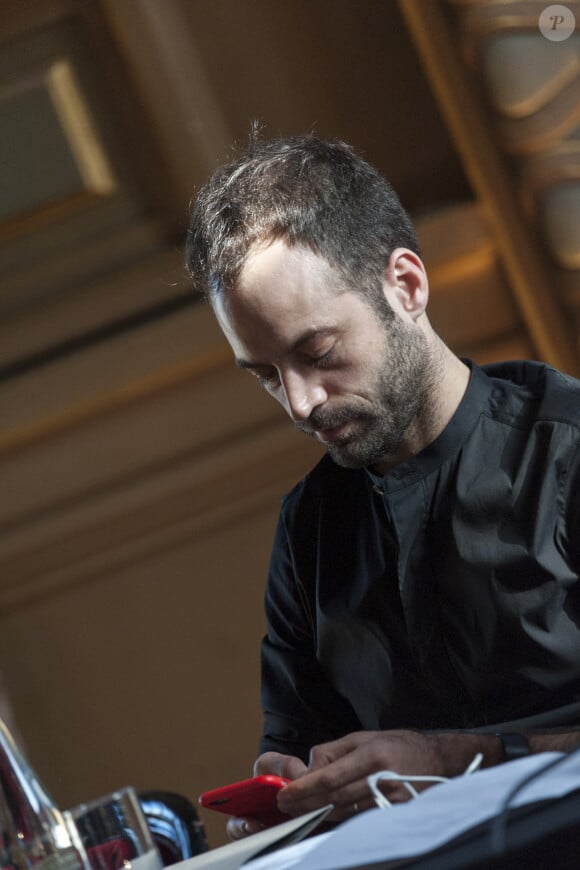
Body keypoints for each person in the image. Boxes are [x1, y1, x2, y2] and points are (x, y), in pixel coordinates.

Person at [186, 132, 580, 837]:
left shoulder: (567, 453)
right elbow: (296, 748)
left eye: (317, 352)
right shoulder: (308, 530)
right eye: (268, 376)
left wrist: (458, 760)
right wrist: (291, 792)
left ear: (406, 285)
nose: (301, 404)